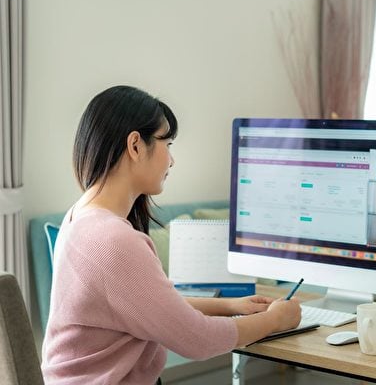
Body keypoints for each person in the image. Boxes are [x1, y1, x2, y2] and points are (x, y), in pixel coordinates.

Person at [41, 85, 301, 384]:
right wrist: (275, 319)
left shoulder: (81, 215)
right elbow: (199, 340)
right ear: (135, 145)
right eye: (168, 143)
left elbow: (153, 306)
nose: (172, 160)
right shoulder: (114, 241)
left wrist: (229, 306)